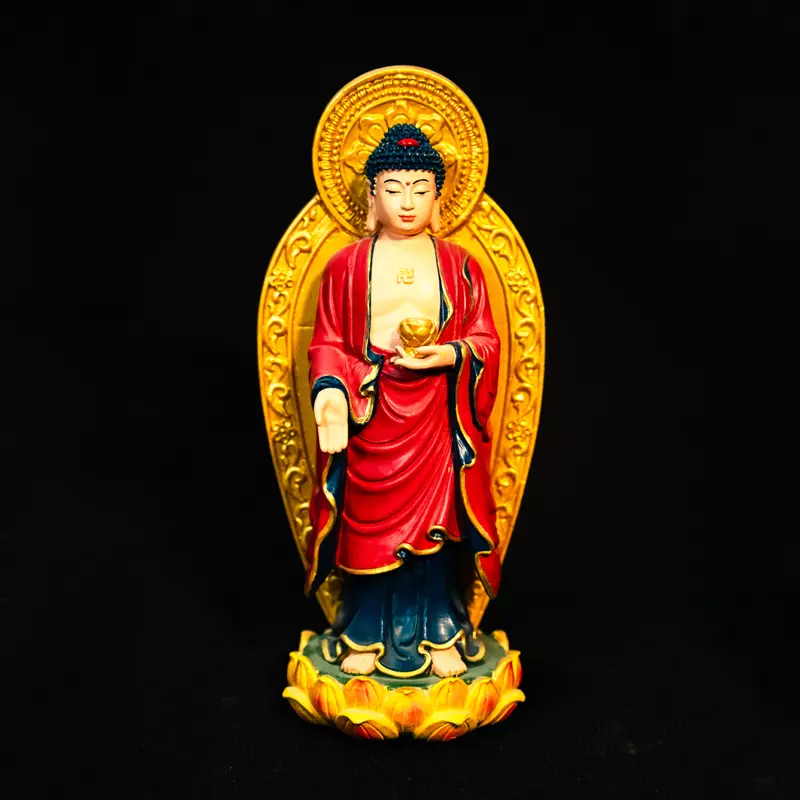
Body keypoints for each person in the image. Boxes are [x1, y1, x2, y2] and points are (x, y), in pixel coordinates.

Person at [305, 124, 502, 679]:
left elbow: (486, 340)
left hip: (437, 414)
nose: (408, 202)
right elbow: (328, 342)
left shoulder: (461, 266)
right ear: (372, 196)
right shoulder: (345, 266)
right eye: (393, 189)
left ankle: (441, 627)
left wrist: (451, 354)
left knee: (438, 530)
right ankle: (363, 629)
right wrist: (330, 393)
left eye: (420, 189)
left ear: (439, 196)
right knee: (366, 527)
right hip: (371, 411)